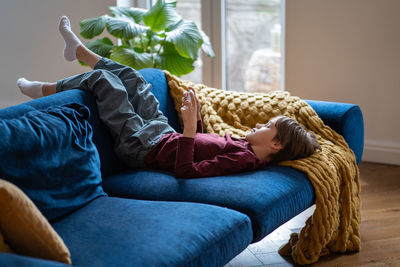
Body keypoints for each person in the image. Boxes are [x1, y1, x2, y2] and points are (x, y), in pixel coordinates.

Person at [17, 16, 321, 178]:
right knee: (135, 79)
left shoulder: (242, 160)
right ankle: (79, 51)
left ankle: (43, 89)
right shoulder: (244, 147)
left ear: (276, 144)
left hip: (141, 147)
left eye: (267, 125)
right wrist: (197, 119)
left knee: (105, 83)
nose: (259, 125)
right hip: (162, 134)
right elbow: (201, 148)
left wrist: (188, 130)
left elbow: (186, 171)